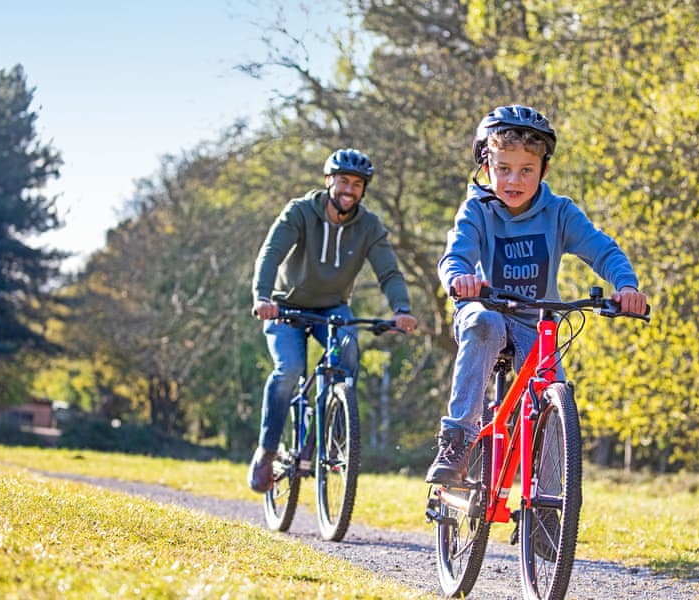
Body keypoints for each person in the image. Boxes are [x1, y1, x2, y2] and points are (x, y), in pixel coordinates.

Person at [426, 105, 647, 485]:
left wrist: (626, 285)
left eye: (526, 169)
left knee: (552, 398)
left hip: (535, 321)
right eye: (504, 169)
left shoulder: (560, 213)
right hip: (486, 310)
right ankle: (458, 439)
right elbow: (456, 254)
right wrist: (460, 276)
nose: (514, 179)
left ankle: (547, 506)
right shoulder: (477, 210)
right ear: (486, 167)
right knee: (483, 322)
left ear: (544, 170)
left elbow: (603, 249)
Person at [250, 148, 418, 493]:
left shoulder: (369, 225)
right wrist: (263, 297)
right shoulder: (299, 213)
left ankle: (331, 423)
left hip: (332, 308)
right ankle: (266, 452)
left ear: (363, 190)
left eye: (357, 184)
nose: (349, 190)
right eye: (343, 181)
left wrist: (401, 309)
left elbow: (389, 272)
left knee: (348, 351)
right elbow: (270, 254)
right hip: (285, 307)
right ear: (329, 182)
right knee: (290, 370)